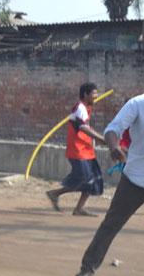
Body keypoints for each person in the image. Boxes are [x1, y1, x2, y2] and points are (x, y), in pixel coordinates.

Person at [71, 68, 144, 276]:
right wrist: (113, 147)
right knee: (111, 224)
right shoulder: (138, 104)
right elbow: (114, 129)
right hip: (136, 177)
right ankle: (86, 270)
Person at [46, 83, 107, 216]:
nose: (96, 96)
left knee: (93, 180)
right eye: (94, 93)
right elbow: (82, 127)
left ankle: (78, 209)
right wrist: (102, 139)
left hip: (87, 150)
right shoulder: (80, 107)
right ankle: (55, 193)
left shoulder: (86, 107)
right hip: (77, 150)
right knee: (84, 178)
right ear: (85, 94)